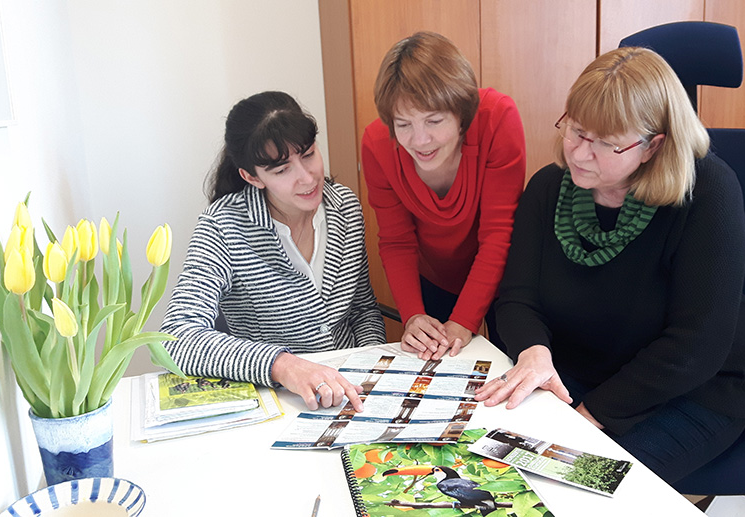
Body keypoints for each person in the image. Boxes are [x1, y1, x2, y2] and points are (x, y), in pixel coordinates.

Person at [474, 47, 745, 483]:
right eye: (575, 130)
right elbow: (517, 297)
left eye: (606, 143)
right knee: (487, 468)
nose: (580, 154)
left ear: (653, 146)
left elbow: (697, 344)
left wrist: (593, 414)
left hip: (685, 394)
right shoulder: (548, 187)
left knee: (577, 487)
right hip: (569, 378)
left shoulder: (708, 193)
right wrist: (533, 352)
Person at [161, 91, 386, 411]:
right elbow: (176, 338)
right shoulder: (223, 226)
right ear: (252, 176)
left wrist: (375, 370)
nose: (307, 178)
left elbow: (362, 309)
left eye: (308, 155)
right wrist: (284, 365)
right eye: (282, 170)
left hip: (352, 393)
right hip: (278, 401)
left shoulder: (345, 207)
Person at [361, 31, 526, 361]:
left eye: (434, 120)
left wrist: (465, 321)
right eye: (403, 124)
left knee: (507, 369)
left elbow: (497, 235)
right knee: (436, 364)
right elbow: (397, 241)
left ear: (461, 113)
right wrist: (412, 316)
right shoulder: (377, 144)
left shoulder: (496, 118)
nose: (420, 140)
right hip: (433, 275)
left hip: (504, 269)